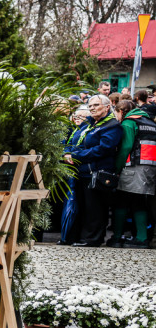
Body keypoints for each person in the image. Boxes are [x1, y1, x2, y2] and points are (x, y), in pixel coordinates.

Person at [64, 95, 122, 247]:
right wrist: (67, 153)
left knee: (95, 208)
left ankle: (92, 239)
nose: (92, 108)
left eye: (96, 105)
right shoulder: (89, 123)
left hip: (97, 172)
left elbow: (103, 149)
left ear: (107, 106)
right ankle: (79, 236)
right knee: (83, 206)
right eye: (90, 106)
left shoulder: (111, 125)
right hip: (81, 171)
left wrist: (76, 155)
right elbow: (74, 139)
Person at [111, 99, 156, 248]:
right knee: (140, 201)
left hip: (132, 167)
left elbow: (126, 147)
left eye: (116, 113)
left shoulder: (129, 123)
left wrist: (116, 169)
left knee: (122, 201)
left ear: (121, 111)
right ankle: (142, 238)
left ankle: (118, 237)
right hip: (150, 168)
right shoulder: (150, 122)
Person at [59, 106, 91, 245]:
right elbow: (68, 145)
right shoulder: (75, 130)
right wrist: (66, 153)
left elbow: (81, 148)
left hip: (81, 169)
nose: (77, 119)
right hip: (71, 169)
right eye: (75, 116)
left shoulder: (87, 130)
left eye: (81, 117)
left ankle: (72, 236)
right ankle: (67, 236)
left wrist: (73, 155)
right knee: (70, 203)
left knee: (77, 205)